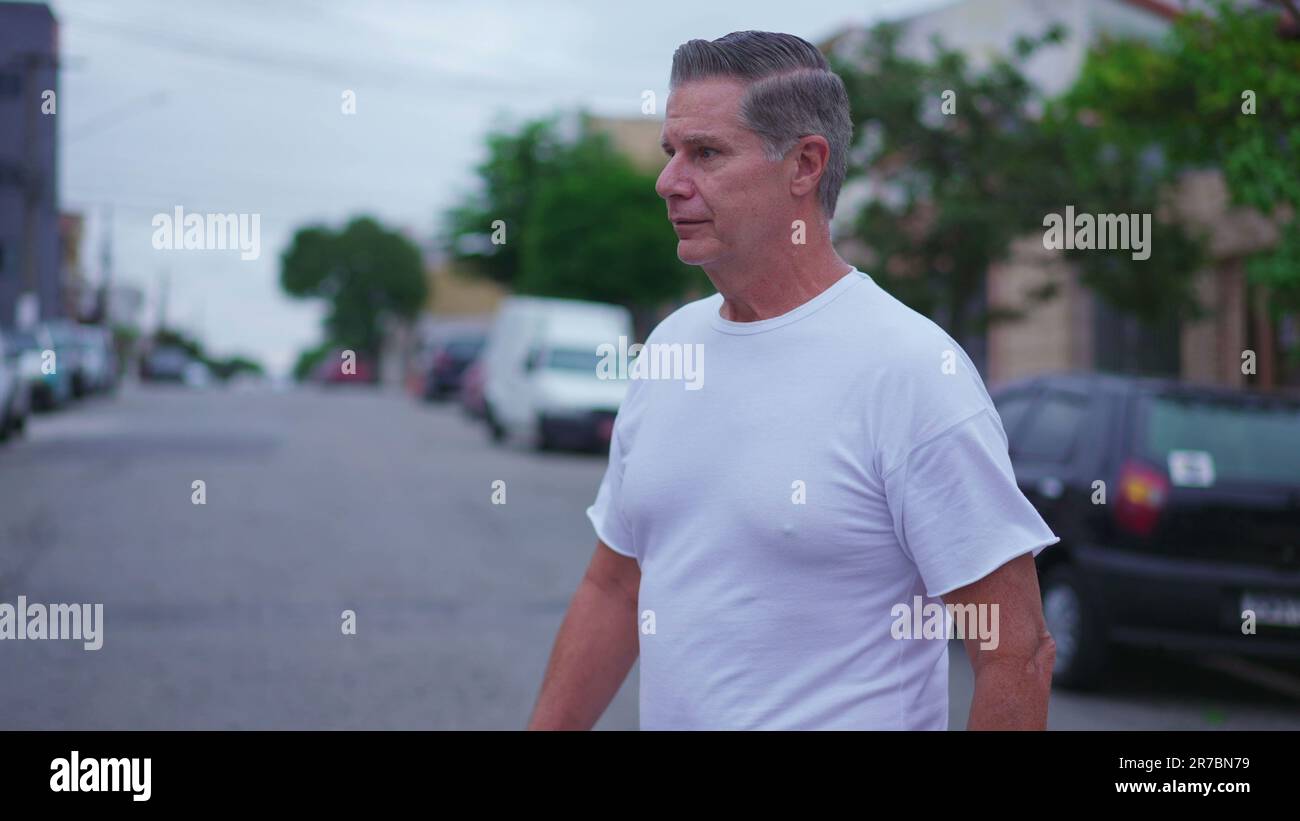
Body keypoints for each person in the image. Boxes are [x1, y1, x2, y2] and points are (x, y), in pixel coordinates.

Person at [528, 30, 1058, 730]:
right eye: (670, 153)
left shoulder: (910, 371)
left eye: (706, 153)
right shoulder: (670, 349)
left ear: (804, 164)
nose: (669, 181)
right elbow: (617, 586)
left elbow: (1014, 652)